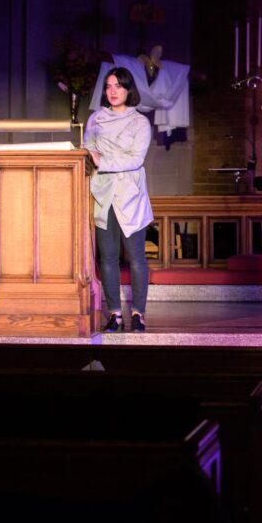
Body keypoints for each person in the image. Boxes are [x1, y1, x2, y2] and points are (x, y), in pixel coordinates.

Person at [84, 67, 154, 332]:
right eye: (108, 86)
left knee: (136, 256)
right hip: (103, 192)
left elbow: (136, 158)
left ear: (128, 90)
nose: (112, 91)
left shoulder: (139, 122)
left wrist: (103, 160)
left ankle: (139, 313)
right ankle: (115, 314)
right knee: (108, 257)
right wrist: (95, 157)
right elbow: (87, 148)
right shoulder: (96, 119)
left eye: (118, 86)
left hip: (129, 194)